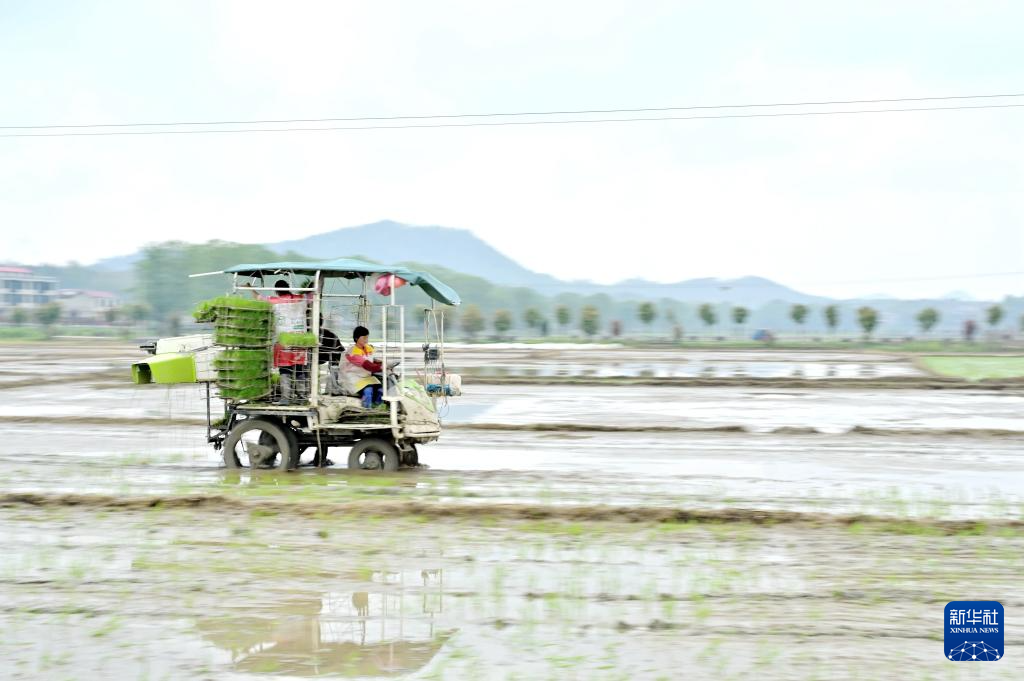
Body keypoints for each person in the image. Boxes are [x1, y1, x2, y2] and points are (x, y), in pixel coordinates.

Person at [343, 325, 383, 408]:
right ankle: (366, 410)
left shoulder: (367, 348)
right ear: (357, 338)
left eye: (367, 337)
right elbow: (367, 365)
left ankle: (377, 408)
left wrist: (381, 363)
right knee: (368, 391)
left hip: (365, 378)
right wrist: (381, 367)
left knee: (381, 390)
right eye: (364, 338)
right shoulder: (352, 352)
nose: (366, 340)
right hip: (353, 378)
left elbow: (373, 360)